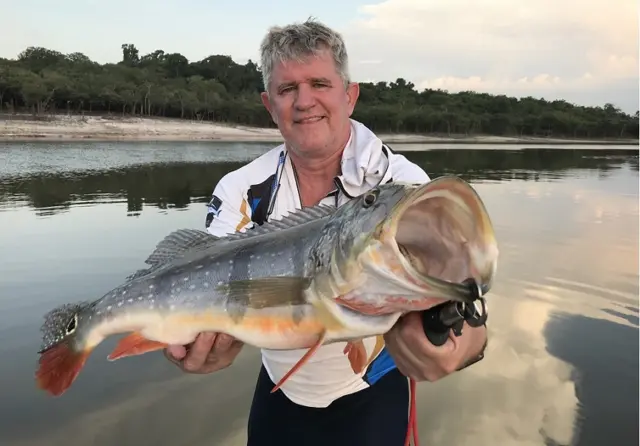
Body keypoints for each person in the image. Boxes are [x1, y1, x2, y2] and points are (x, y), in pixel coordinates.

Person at [164, 18, 488, 446]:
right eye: (287, 89)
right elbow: (216, 289)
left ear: (349, 96)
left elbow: (469, 310)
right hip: (281, 391)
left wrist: (456, 350)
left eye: (320, 83)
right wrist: (202, 344)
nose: (304, 102)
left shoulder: (403, 188)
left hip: (374, 394)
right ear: (269, 104)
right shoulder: (240, 190)